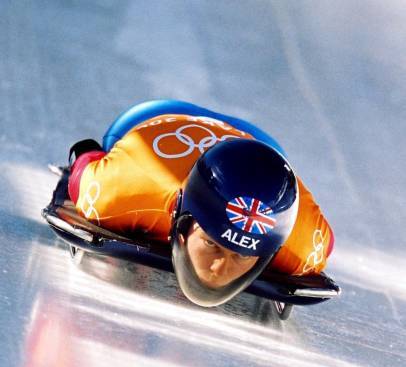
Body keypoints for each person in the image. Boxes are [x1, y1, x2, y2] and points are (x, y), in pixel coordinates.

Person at [68, 100, 334, 307]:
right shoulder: (124, 187)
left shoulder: (302, 239)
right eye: (211, 243)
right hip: (153, 122)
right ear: (183, 219)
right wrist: (91, 156)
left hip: (265, 151)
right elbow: (83, 172)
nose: (219, 268)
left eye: (241, 254)